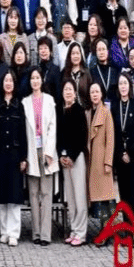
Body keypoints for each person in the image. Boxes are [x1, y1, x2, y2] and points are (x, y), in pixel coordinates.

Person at [22, 68, 58, 246]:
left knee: (46, 193)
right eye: (32, 78)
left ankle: (45, 234)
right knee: (33, 194)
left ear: (42, 80)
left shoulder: (49, 100)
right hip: (31, 150)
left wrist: (49, 152)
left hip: (46, 150)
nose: (35, 81)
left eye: (38, 77)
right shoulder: (25, 102)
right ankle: (35, 233)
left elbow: (52, 127)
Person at [0, 71, 28, 247]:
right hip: (0, 154)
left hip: (14, 154)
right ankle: (4, 231)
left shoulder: (19, 105)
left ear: (14, 84)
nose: (8, 83)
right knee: (3, 195)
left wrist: (23, 157)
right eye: (5, 80)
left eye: (11, 81)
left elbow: (23, 133)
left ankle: (14, 232)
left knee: (14, 195)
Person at [57, 78, 89, 246]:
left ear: (75, 93)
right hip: (65, 160)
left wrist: (71, 156)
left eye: (70, 89)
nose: (68, 92)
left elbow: (82, 137)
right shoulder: (61, 111)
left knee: (79, 196)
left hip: (76, 159)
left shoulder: (79, 110)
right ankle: (74, 230)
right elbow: (59, 136)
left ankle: (81, 233)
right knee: (70, 197)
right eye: (65, 89)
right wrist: (61, 155)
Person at [113, 73, 134, 229]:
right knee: (124, 195)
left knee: (133, 195)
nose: (123, 86)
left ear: (130, 86)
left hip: (133, 157)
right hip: (120, 157)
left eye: (125, 83)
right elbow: (113, 133)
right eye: (120, 84)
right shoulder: (114, 106)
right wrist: (121, 152)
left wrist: (129, 153)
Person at [86, 81, 116, 234]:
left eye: (97, 92)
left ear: (102, 94)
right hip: (91, 161)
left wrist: (108, 162)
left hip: (102, 160)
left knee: (105, 198)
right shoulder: (88, 112)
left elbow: (110, 139)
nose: (95, 95)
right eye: (92, 92)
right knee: (97, 197)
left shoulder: (106, 112)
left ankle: (106, 230)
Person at [90, 39, 118, 105]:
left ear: (107, 51)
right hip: (98, 106)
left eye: (103, 49)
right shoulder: (92, 71)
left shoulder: (115, 70)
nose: (101, 52)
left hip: (114, 106)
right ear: (96, 52)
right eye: (99, 50)